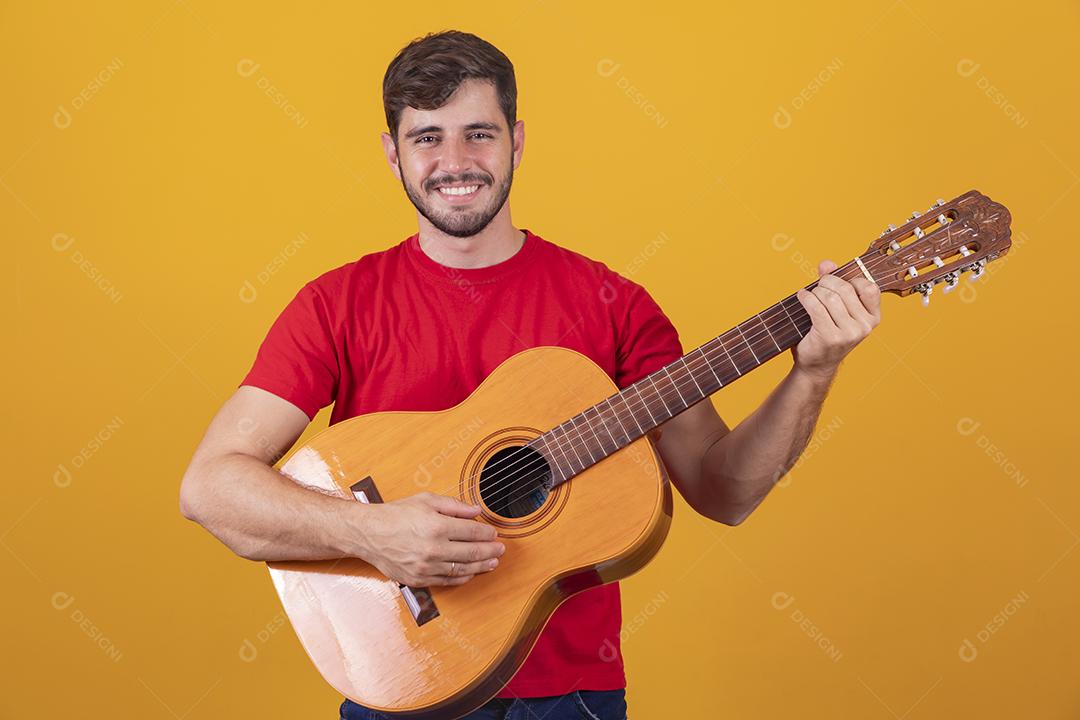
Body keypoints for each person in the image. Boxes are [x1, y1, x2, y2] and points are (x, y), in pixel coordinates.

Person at [179, 29, 881, 720]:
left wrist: (811, 374)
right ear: (393, 155)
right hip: (405, 679)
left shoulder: (613, 305)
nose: (455, 161)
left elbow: (722, 491)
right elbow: (211, 487)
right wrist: (374, 534)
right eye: (428, 138)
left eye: (478, 134)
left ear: (517, 140)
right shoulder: (336, 305)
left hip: (575, 700)